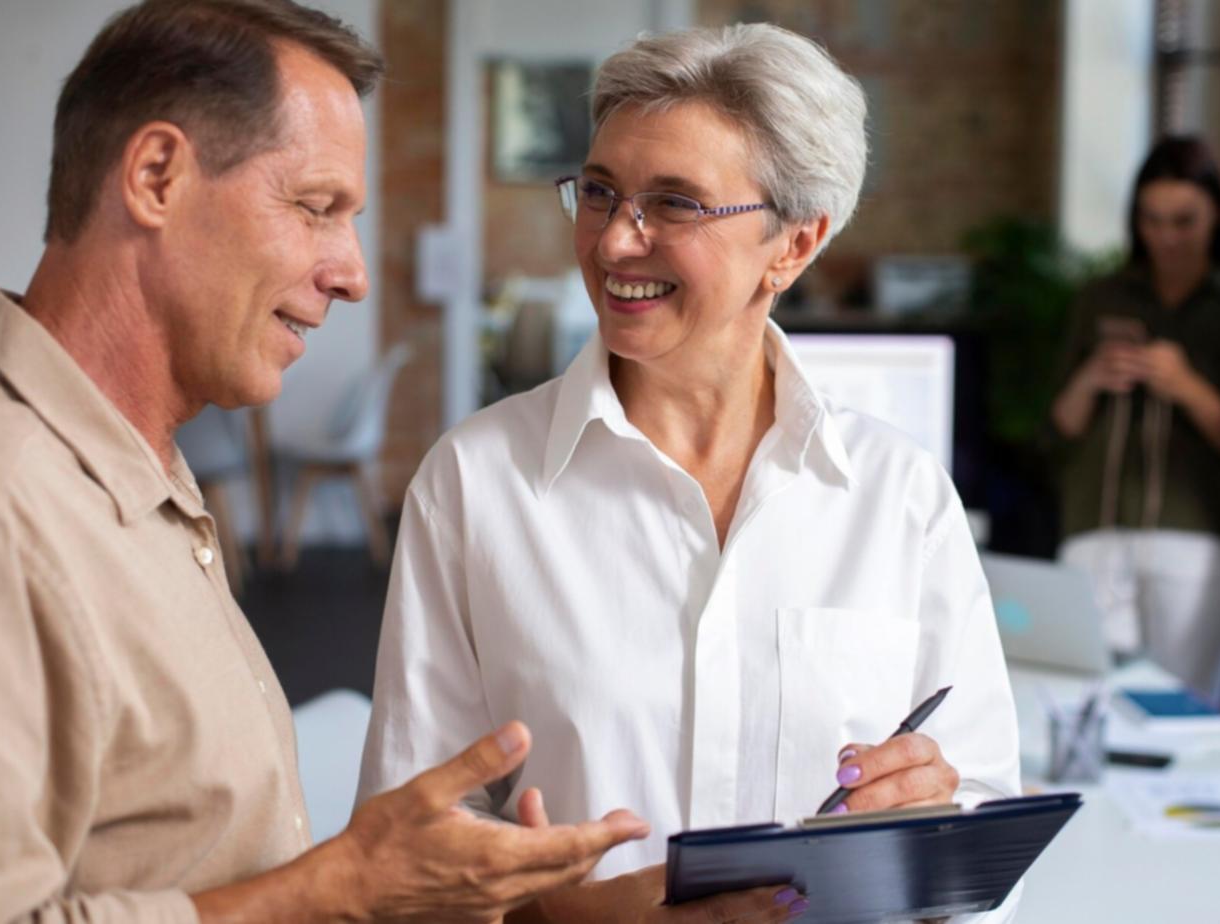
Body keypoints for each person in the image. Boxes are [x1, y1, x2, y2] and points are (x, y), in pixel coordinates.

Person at [0, 2, 652, 921]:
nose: (352, 272)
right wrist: (340, 889)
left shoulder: (135, 470)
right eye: (315, 207)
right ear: (157, 176)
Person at [358, 22, 1020, 922]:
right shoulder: (474, 486)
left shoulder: (900, 498)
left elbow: (977, 836)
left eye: (673, 203)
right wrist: (563, 919)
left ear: (793, 244)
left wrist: (936, 820)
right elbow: (399, 868)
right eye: (599, 192)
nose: (615, 242)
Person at [1048, 136, 1220, 692]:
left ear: (1218, 219)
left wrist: (1188, 387)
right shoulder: (1102, 296)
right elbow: (1060, 424)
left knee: (1183, 708)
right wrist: (1091, 378)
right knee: (1087, 699)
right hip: (1095, 528)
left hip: (1196, 537)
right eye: (1152, 220)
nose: (1166, 237)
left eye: (1184, 221)